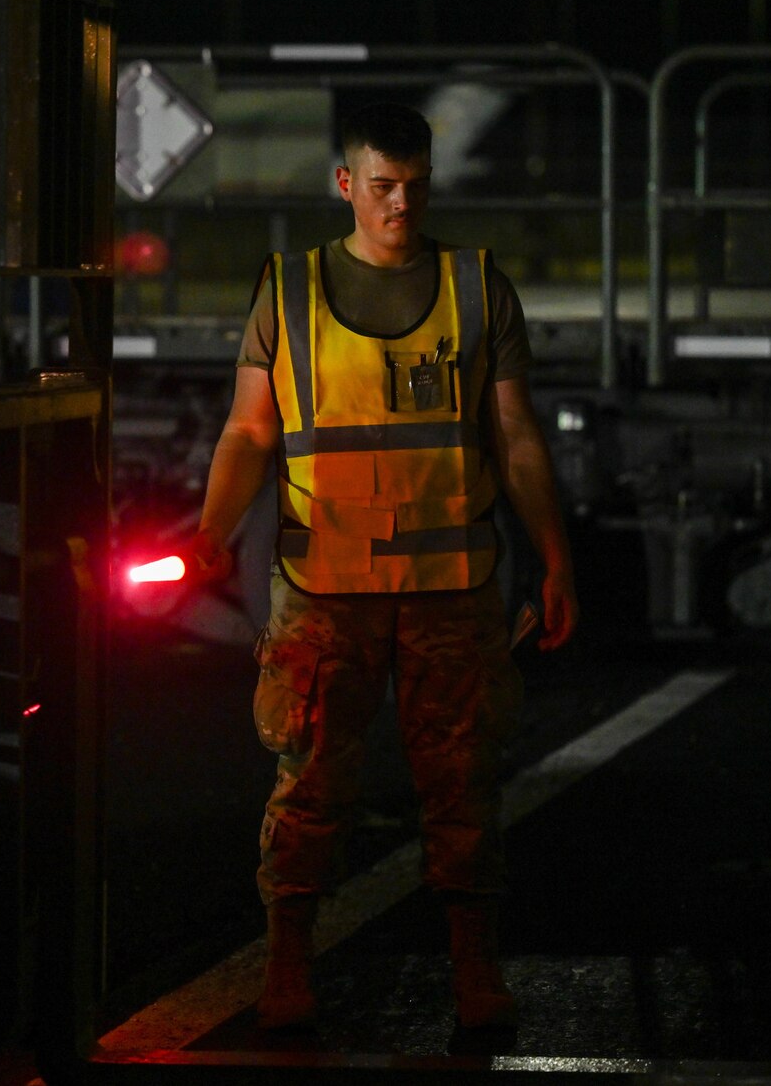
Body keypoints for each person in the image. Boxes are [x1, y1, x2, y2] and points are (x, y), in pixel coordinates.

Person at [190, 101, 579, 1033]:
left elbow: (517, 437)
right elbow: (250, 429)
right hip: (327, 591)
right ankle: (289, 969)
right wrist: (209, 533)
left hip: (451, 591)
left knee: (464, 785)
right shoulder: (286, 289)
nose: (400, 203)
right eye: (381, 186)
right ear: (345, 186)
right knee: (311, 783)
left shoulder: (478, 287)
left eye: (414, 185)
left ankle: (475, 975)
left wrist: (557, 560)